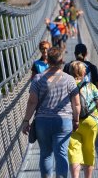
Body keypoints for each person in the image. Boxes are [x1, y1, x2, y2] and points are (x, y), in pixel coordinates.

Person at [22, 47, 81, 178]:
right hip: (63, 121)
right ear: (62, 60)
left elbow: (32, 102)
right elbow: (76, 103)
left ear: (47, 60)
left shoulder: (37, 79)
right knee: (61, 154)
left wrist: (26, 121)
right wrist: (76, 120)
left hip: (42, 122)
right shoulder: (69, 79)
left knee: (45, 154)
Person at [68, 61, 98, 178]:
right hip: (91, 121)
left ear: (70, 73)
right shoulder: (91, 86)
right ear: (84, 73)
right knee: (89, 150)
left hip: (72, 122)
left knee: (74, 151)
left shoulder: (66, 86)